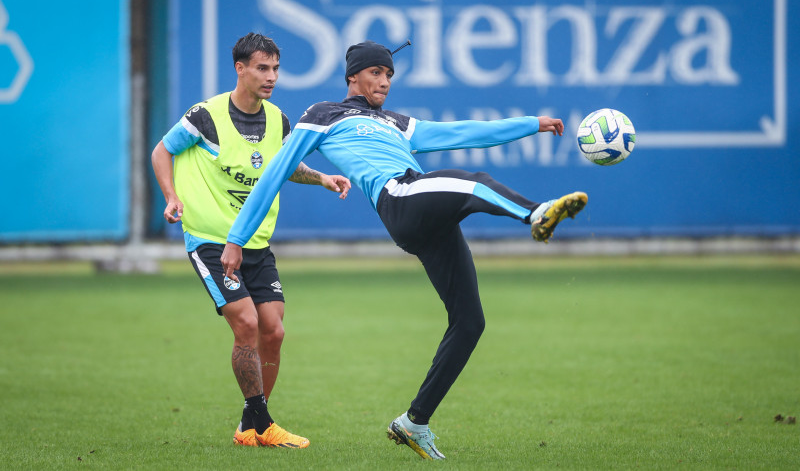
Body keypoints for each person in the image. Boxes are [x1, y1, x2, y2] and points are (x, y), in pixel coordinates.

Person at [220, 40, 587, 460]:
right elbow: (275, 173)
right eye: (376, 72)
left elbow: (459, 132)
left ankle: (414, 421)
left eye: (390, 74)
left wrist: (530, 124)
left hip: (423, 217)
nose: (384, 81)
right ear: (352, 77)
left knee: (469, 323)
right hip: (401, 197)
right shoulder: (323, 114)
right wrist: (237, 238)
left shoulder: (395, 121)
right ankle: (537, 214)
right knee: (477, 183)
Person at [151, 33, 351, 449]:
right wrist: (172, 196)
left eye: (276, 68)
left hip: (255, 242)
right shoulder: (205, 116)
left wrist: (323, 179)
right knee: (245, 323)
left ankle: (249, 425)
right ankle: (265, 424)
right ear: (240, 69)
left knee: (273, 332)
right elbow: (161, 152)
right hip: (209, 239)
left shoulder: (278, 119)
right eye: (262, 68)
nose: (271, 76)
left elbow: (287, 166)